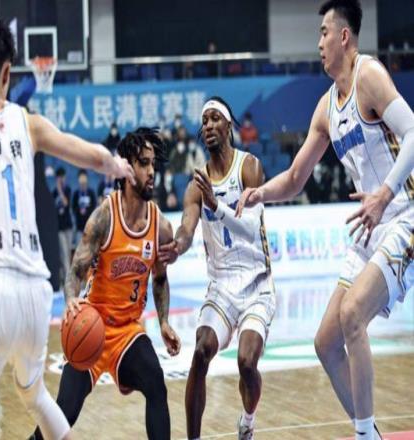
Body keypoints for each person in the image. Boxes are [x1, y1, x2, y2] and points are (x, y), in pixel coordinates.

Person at [0, 19, 134, 440]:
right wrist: (117, 165)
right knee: (33, 393)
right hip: (37, 296)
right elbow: (89, 155)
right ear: (8, 73)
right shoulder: (29, 123)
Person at [236, 1, 414, 439]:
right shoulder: (325, 108)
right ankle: (369, 432)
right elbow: (296, 177)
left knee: (353, 315)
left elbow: (413, 131)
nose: (318, 43)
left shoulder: (369, 76)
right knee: (325, 343)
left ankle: (364, 435)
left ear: (344, 37)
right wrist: (262, 193)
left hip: (403, 216)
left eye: (323, 33)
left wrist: (385, 193)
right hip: (369, 227)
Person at [31, 128, 181, 440]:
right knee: (64, 412)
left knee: (156, 383)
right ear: (127, 169)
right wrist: (71, 300)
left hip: (127, 332)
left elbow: (160, 278)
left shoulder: (161, 226)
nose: (151, 171)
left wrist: (164, 321)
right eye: (143, 163)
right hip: (93, 326)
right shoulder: (104, 217)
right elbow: (74, 272)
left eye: (153, 164)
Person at [159, 97, 275, 440]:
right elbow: (187, 228)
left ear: (228, 126)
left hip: (256, 285)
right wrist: (177, 246)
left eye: (214, 119)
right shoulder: (196, 185)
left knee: (246, 363)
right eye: (204, 120)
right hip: (221, 286)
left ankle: (248, 419)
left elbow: (250, 228)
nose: (208, 125)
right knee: (200, 351)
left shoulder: (248, 167)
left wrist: (217, 205)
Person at [52, 167, 74, 284]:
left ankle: (68, 277)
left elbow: (66, 203)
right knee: (64, 253)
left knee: (68, 253)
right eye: (59, 177)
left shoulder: (68, 190)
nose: (61, 179)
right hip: (59, 227)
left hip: (68, 226)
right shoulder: (54, 193)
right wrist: (58, 190)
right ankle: (67, 280)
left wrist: (61, 191)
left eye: (63, 177)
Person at [72, 170, 96, 245]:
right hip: (79, 227)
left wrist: (87, 210)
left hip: (89, 227)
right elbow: (73, 207)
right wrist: (79, 210)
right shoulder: (76, 194)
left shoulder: (91, 193)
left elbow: (94, 206)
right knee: (80, 247)